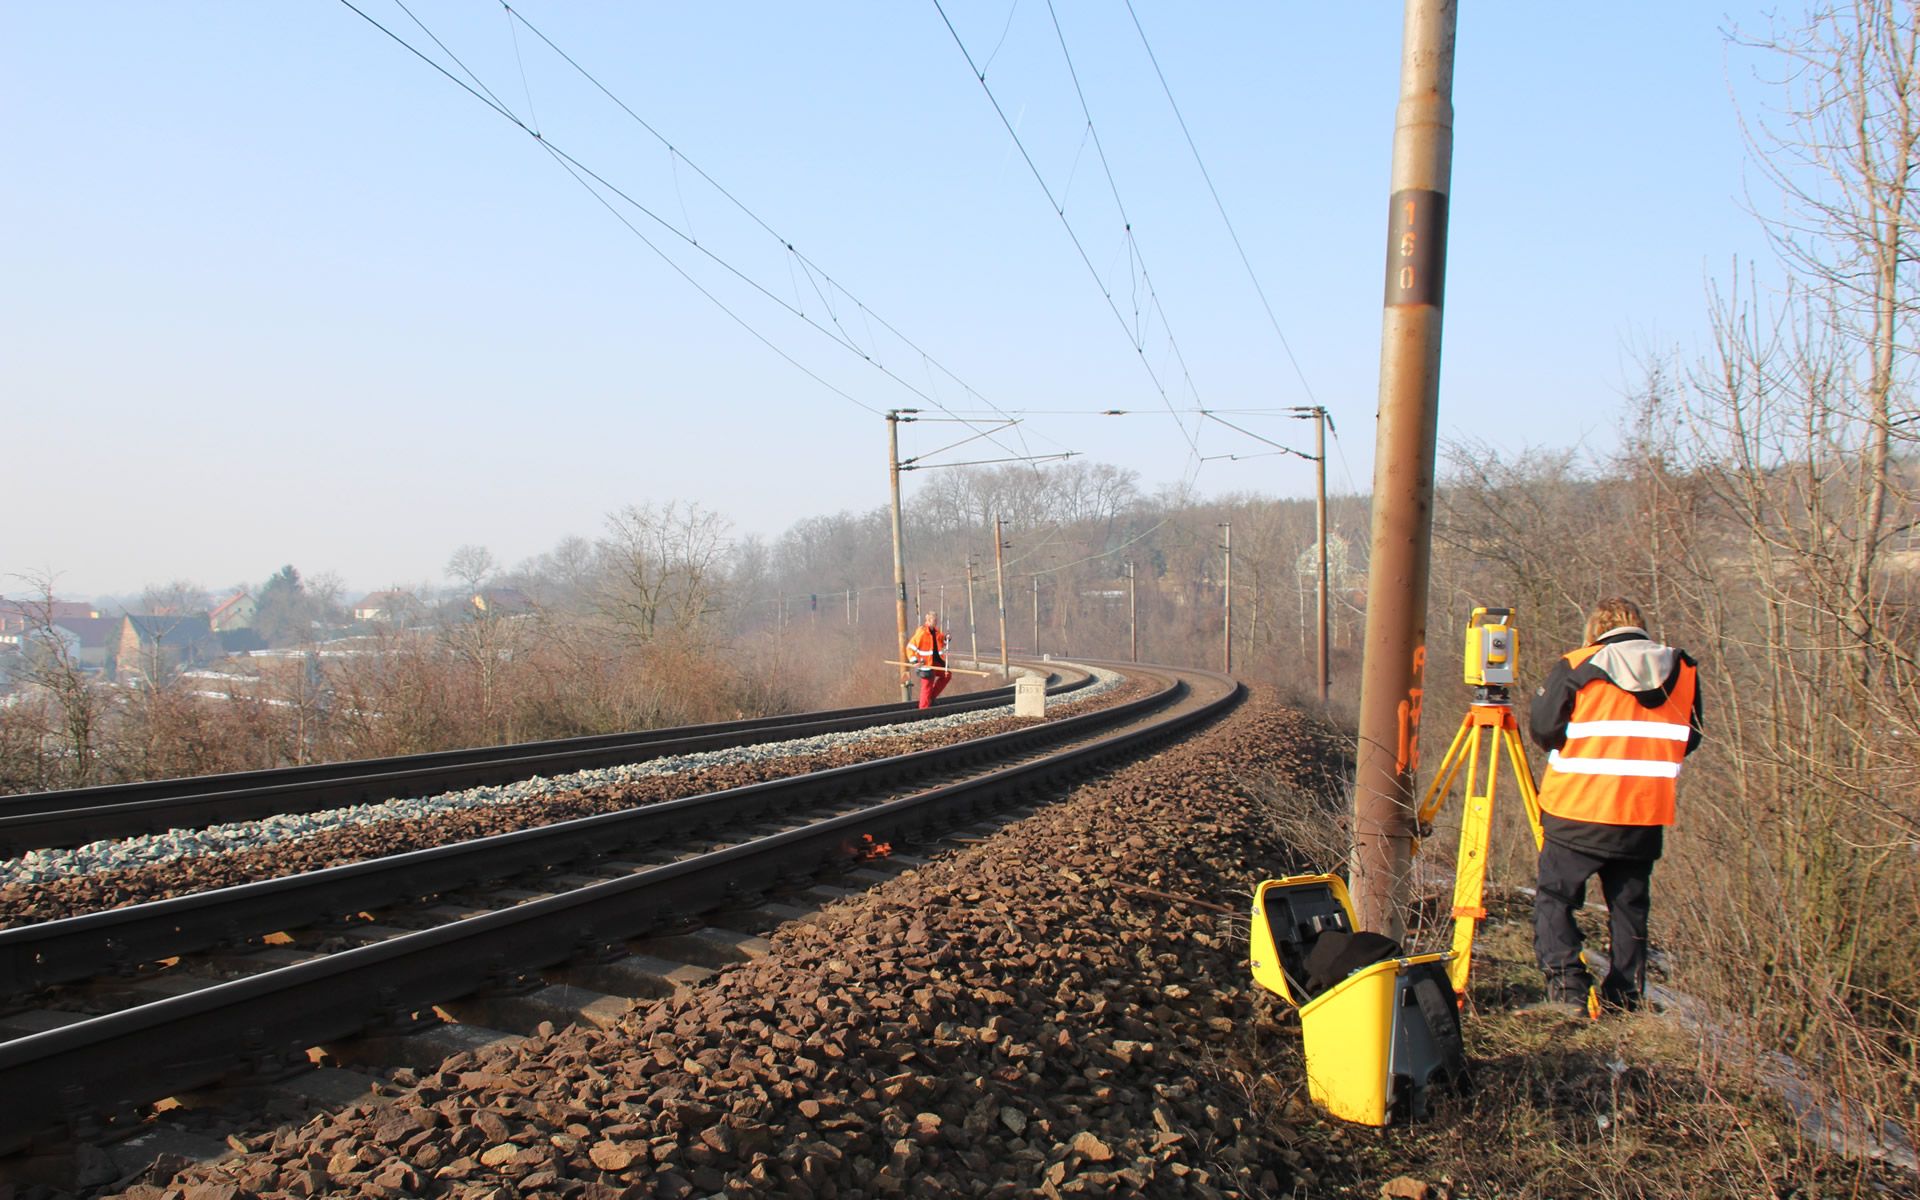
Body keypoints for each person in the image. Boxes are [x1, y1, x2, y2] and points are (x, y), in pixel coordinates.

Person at [1528, 597, 1701, 1015]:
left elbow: (1544, 729)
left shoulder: (1577, 665)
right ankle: (1625, 996)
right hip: (1643, 814)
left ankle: (1567, 985)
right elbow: (1690, 738)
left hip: (1578, 809)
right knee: (1629, 909)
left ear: (1596, 629)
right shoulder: (1683, 670)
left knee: (1556, 898)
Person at [906, 611, 951, 709]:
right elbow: (910, 647)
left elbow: (941, 641)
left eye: (936, 620)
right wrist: (914, 661)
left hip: (936, 663)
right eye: (934, 620)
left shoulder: (935, 631)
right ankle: (923, 709)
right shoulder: (921, 633)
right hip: (926, 665)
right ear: (928, 620)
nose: (936, 622)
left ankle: (931, 698)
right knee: (927, 687)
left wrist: (946, 638)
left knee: (947, 675)